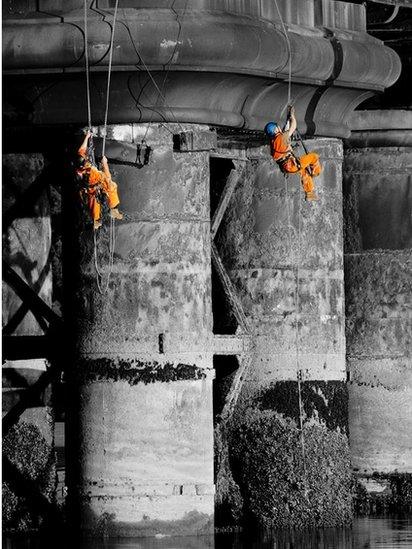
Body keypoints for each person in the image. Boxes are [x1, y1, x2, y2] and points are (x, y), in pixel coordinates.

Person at [265, 106, 322, 201]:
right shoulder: (281, 138)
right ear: (275, 130)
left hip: (287, 167)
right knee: (313, 157)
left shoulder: (273, 142)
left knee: (304, 173)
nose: (279, 127)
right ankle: (316, 172)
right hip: (291, 164)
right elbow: (293, 126)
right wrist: (292, 116)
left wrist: (287, 120)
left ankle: (310, 194)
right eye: (277, 127)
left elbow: (284, 135)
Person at [76, 131, 123, 229]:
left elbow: (82, 149)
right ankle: (113, 209)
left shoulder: (82, 164)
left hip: (91, 187)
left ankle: (97, 220)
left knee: (94, 202)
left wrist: (87, 136)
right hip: (95, 183)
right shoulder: (87, 170)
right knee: (111, 186)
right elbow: (105, 177)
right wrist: (104, 163)